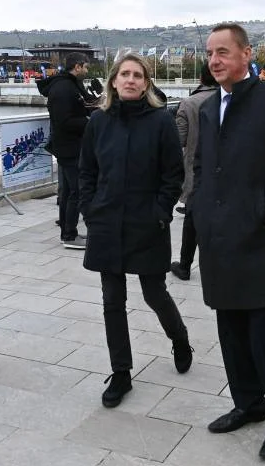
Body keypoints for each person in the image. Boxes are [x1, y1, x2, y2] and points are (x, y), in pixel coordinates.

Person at [192, 23, 265, 462]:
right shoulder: (209, 108)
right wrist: (201, 209)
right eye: (210, 53)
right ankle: (248, 402)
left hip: (261, 242)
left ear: (246, 54)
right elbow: (203, 167)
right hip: (220, 240)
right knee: (231, 332)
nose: (215, 60)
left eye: (223, 51)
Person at [79, 53, 192, 409]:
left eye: (137, 75)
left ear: (146, 82)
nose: (130, 80)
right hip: (107, 222)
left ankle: (179, 338)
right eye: (124, 74)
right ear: (113, 81)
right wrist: (90, 210)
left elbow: (173, 175)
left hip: (147, 223)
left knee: (153, 293)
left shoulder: (161, 121)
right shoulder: (98, 122)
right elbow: (87, 172)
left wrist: (160, 213)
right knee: (112, 300)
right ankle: (122, 372)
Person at [170, 62, 218, 280]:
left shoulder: (188, 104)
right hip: (226, 173)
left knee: (191, 222)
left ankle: (185, 265)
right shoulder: (232, 101)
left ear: (200, 79)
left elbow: (178, 139)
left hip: (195, 172)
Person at [40, 52, 91, 249]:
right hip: (69, 147)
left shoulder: (70, 84)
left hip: (71, 145)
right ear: (77, 67)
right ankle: (70, 235)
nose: (86, 71)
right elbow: (64, 121)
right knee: (76, 191)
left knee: (70, 191)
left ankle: (67, 232)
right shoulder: (63, 88)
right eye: (85, 67)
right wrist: (89, 121)